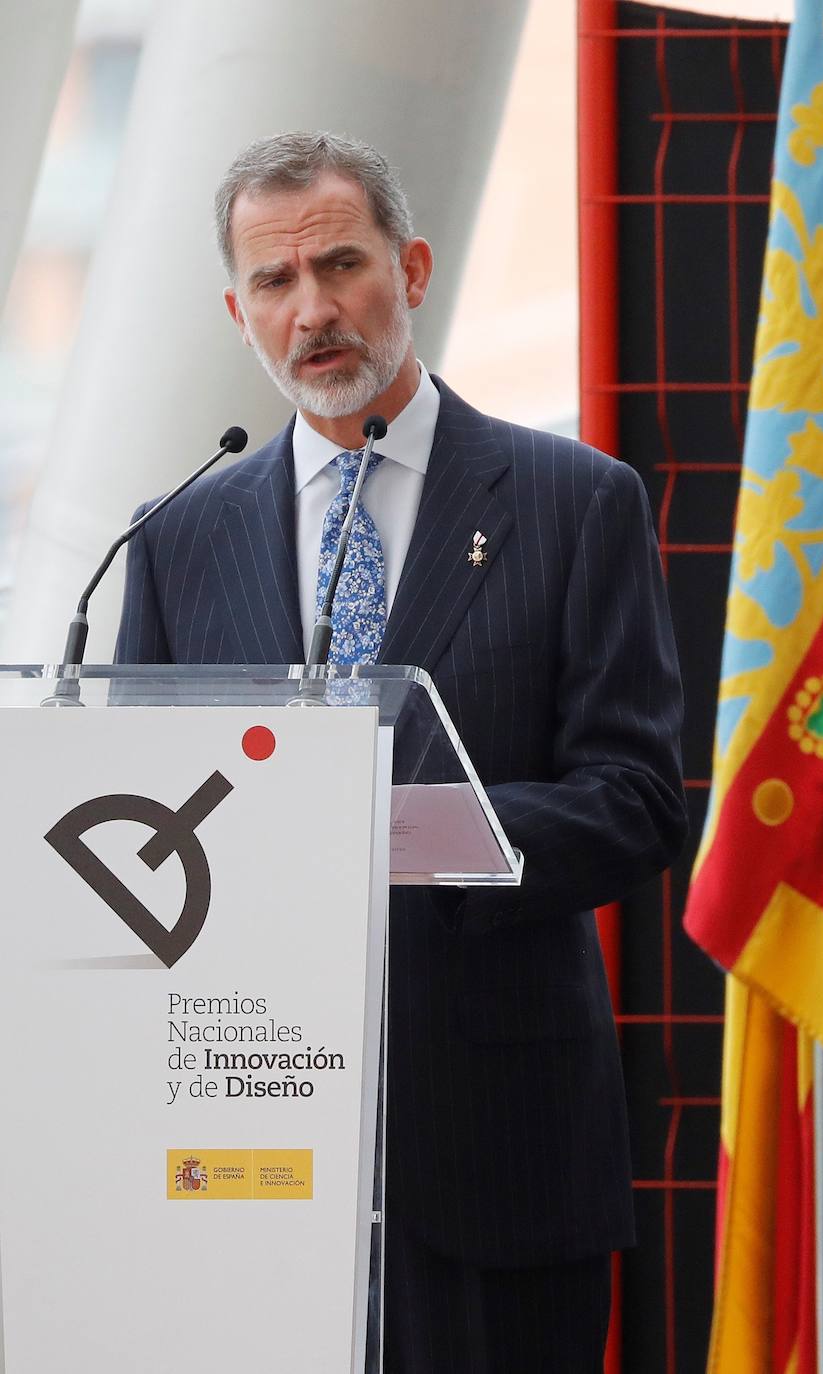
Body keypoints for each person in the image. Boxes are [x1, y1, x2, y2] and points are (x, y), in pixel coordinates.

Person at [116, 131, 687, 1373]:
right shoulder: (173, 539)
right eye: (274, 284)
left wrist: (393, 838)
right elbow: (140, 833)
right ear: (236, 311)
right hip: (246, 1164)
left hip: (493, 1155)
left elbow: (637, 802)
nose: (312, 311)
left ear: (412, 267)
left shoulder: (573, 501)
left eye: (341, 265)